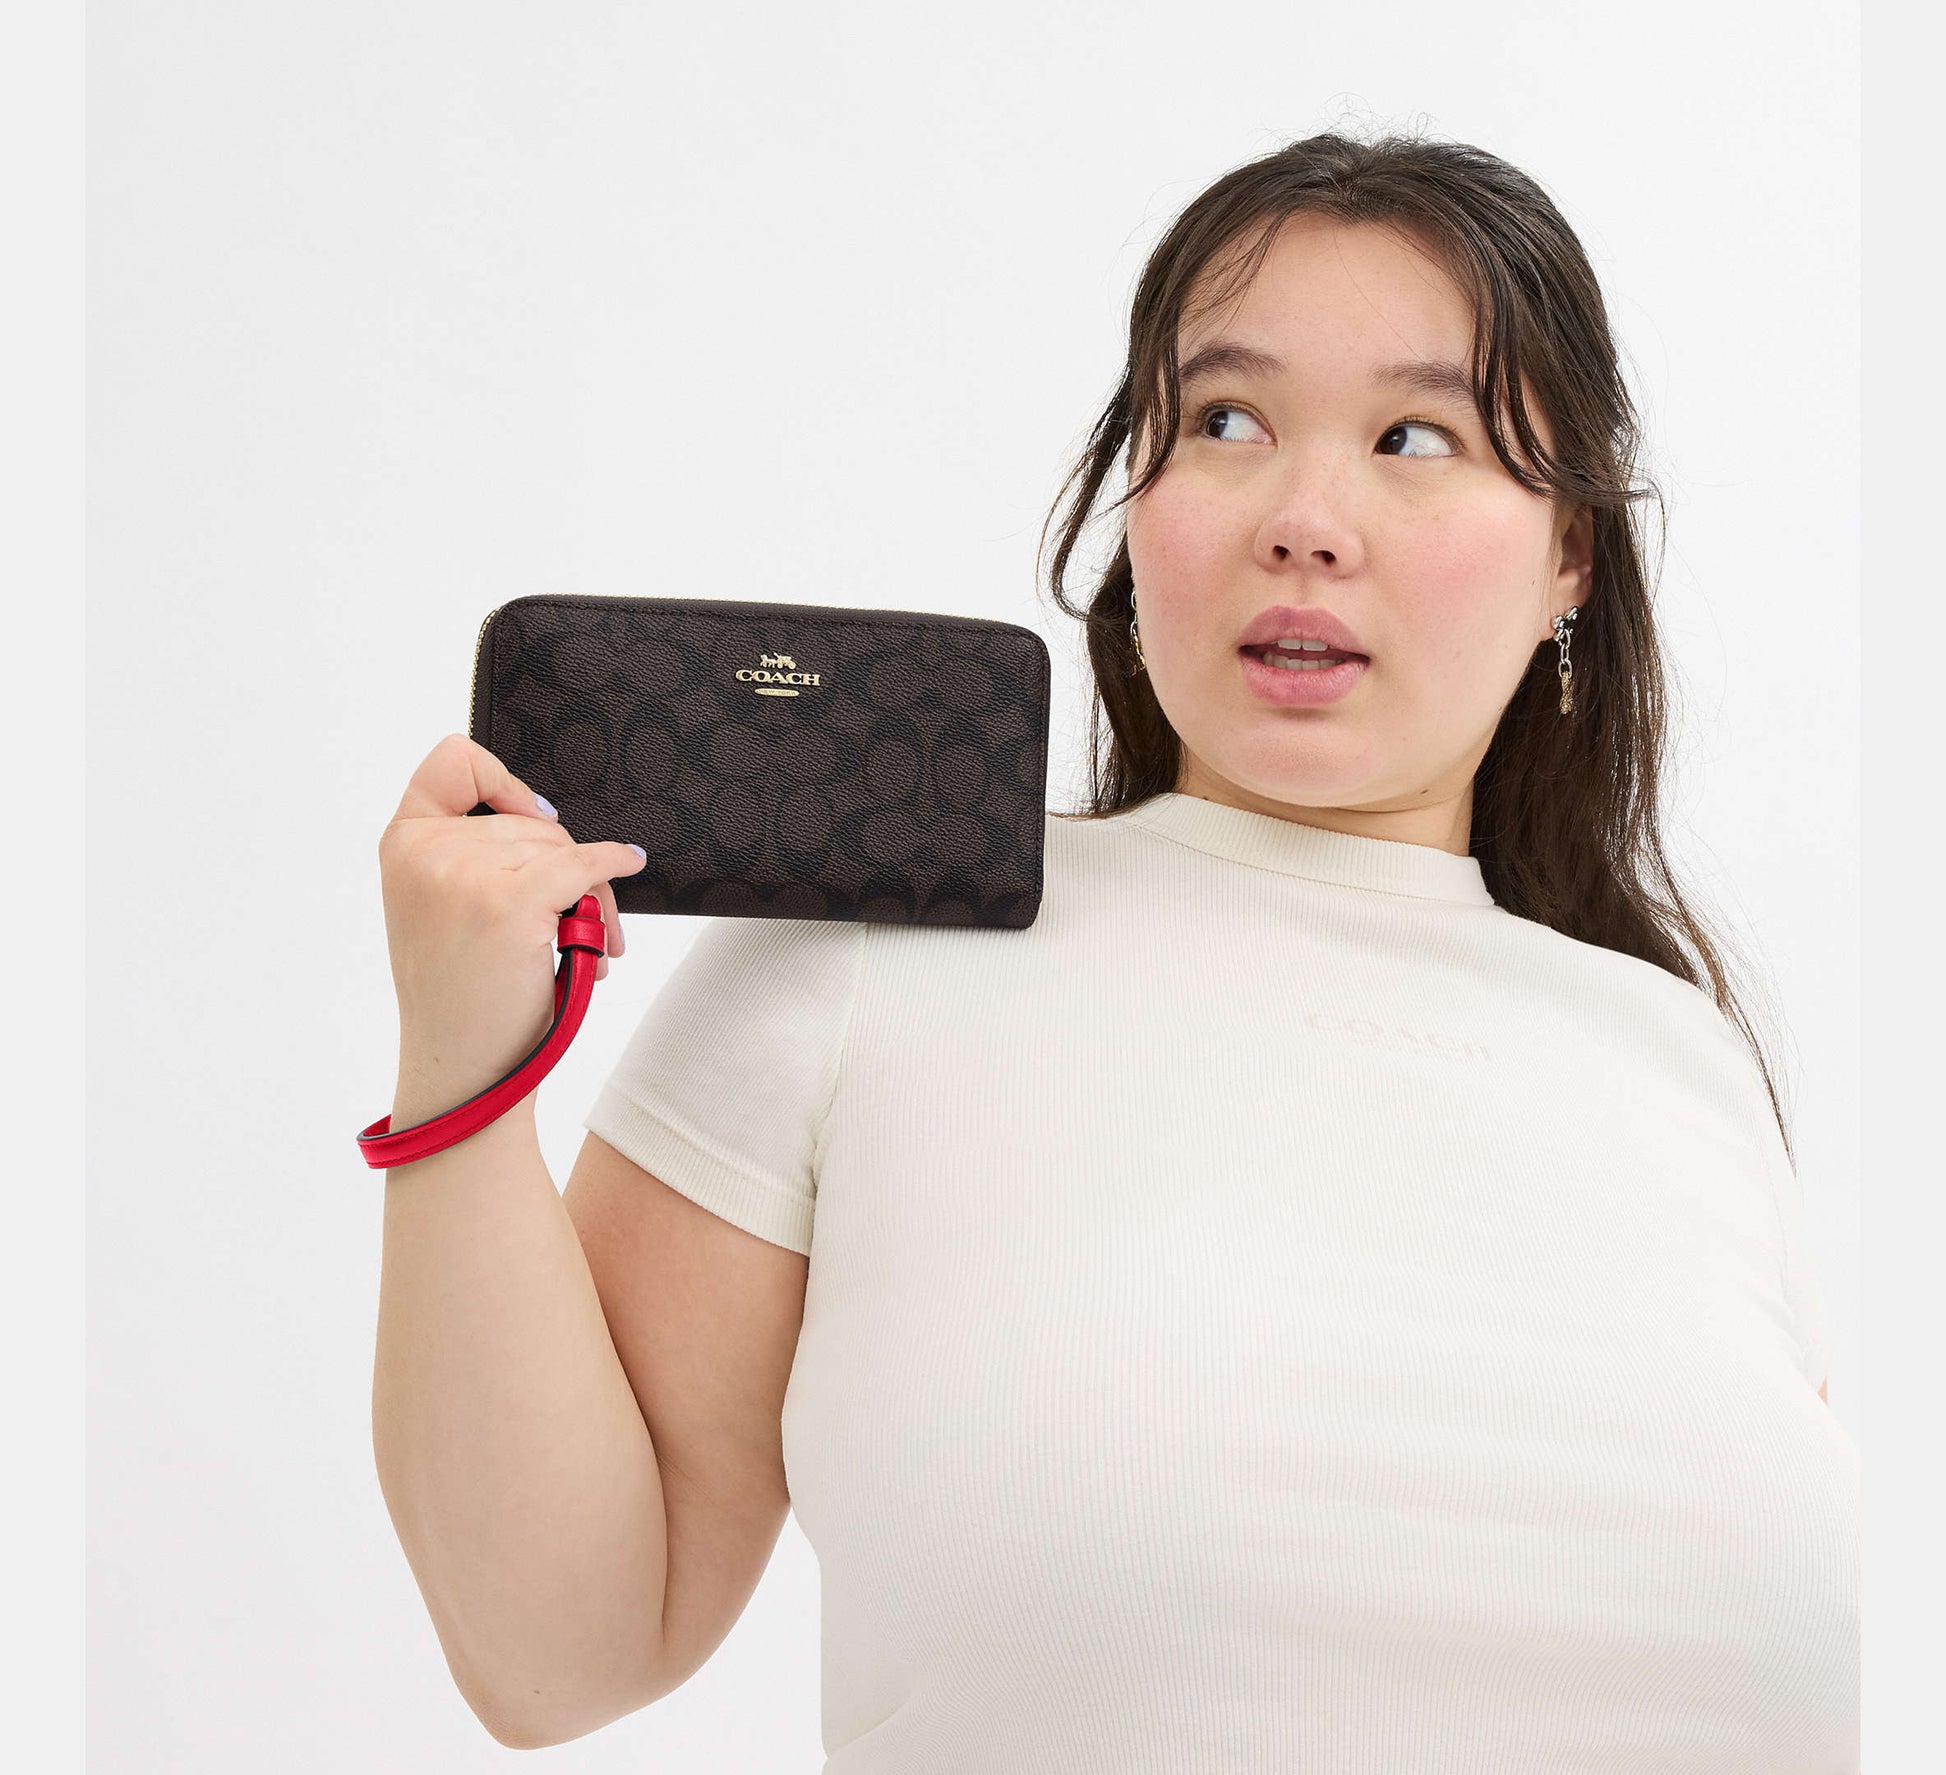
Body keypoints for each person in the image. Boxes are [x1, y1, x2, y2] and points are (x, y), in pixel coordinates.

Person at [370, 129, 1859, 1769]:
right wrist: (462, 1075)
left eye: (1412, 436)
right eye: (1223, 420)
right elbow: (554, 1656)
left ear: (1568, 552)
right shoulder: (868, 967)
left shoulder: (1676, 1056)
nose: (1304, 519)